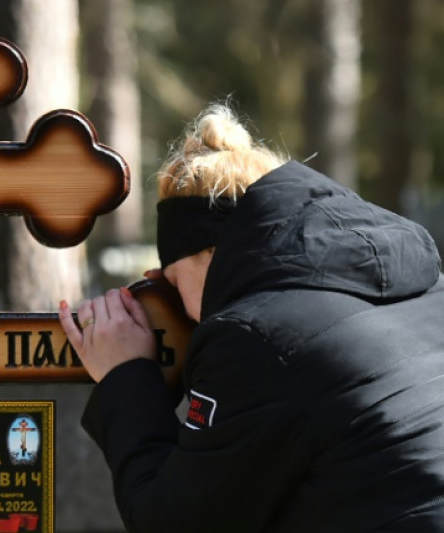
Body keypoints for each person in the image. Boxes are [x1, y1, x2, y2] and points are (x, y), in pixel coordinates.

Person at [58, 103, 444, 531]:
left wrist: (126, 374)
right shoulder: (425, 285)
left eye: (173, 281)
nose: (174, 301)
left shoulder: (255, 338)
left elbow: (171, 522)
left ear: (209, 254)